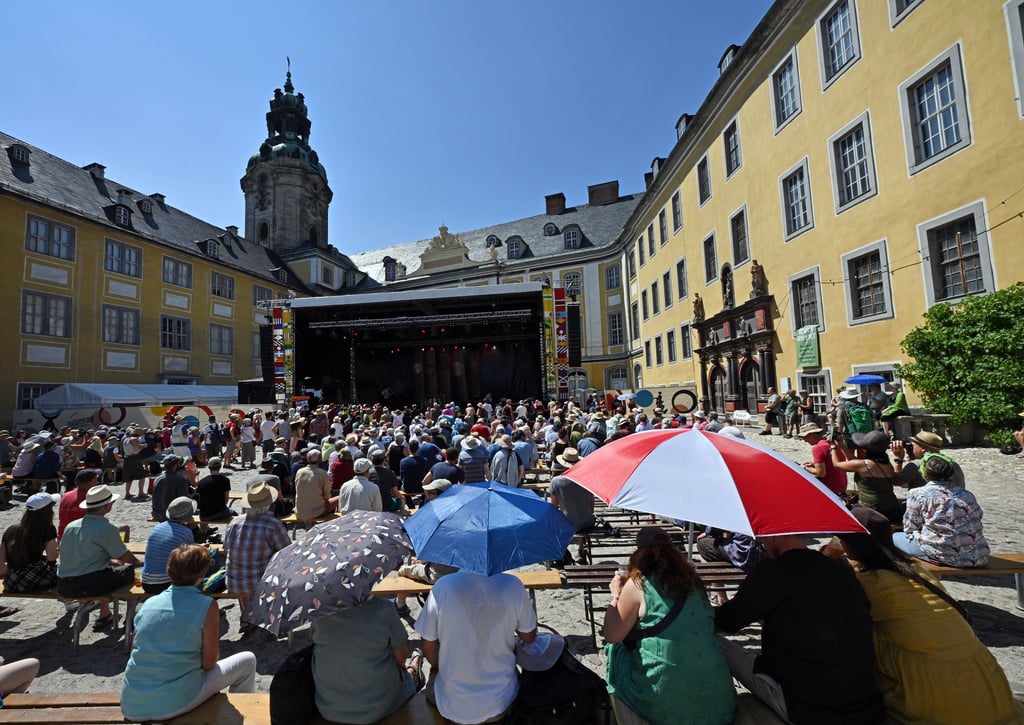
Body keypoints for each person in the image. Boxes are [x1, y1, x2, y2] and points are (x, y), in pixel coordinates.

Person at [836, 507, 1023, 724]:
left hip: (931, 696)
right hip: (989, 687)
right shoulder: (914, 569)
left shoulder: (869, 582)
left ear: (849, 544)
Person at [715, 533, 885, 724]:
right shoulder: (840, 570)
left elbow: (726, 621)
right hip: (864, 705)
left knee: (712, 641)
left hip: (806, 708)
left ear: (771, 537)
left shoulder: (773, 572)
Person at [604, 527, 736, 725]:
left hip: (667, 699)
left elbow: (612, 634)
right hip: (719, 699)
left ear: (639, 553)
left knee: (617, 649)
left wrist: (615, 595)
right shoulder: (694, 582)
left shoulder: (639, 584)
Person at [121, 544, 257, 722]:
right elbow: (209, 663)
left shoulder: (149, 604)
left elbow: (135, 650)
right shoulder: (206, 605)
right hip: (172, 702)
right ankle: (233, 717)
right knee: (247, 660)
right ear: (202, 574)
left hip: (132, 703)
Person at [415, 568, 538, 724]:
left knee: (433, 681)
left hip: (451, 705)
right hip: (502, 701)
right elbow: (528, 637)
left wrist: (440, 666)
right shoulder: (513, 585)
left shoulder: (442, 586)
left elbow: (427, 645)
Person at [311, 595, 424, 723]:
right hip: (379, 708)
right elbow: (401, 656)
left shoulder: (320, 612)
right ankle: (413, 673)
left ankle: (412, 672)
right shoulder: (383, 607)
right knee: (403, 678)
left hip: (329, 709)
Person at [56, 484, 140, 628]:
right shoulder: (106, 528)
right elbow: (125, 556)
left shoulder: (71, 526)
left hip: (64, 583)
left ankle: (105, 614)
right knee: (134, 574)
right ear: (107, 506)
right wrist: (138, 563)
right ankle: (130, 619)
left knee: (108, 570)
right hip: (88, 584)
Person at [895, 455, 989, 567]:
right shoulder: (967, 495)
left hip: (945, 556)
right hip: (979, 556)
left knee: (894, 537)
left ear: (924, 475)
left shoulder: (918, 494)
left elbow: (910, 527)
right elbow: (977, 517)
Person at [223, 482, 290, 617]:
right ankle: (261, 614)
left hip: (234, 581)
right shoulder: (273, 525)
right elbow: (287, 552)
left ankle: (247, 615)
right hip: (259, 583)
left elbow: (226, 549)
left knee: (246, 570)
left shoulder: (234, 522)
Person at [831, 430, 902, 523]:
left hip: (871, 510)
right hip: (892, 508)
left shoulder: (864, 465)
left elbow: (837, 465)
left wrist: (833, 448)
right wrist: (841, 445)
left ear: (865, 449)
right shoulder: (887, 465)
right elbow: (853, 461)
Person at [1, 492, 60, 595]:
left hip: (11, 582)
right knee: (64, 572)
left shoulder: (11, 530)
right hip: (33, 579)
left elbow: (2, 559)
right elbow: (52, 557)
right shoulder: (47, 528)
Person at [141, 497, 198, 594]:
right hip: (166, 583)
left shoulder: (157, 528)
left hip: (146, 581)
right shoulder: (185, 533)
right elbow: (191, 559)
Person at [891, 430, 966, 489]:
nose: (911, 448)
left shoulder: (917, 465)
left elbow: (897, 481)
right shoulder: (952, 463)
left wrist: (898, 458)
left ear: (923, 449)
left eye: (913, 445)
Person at [797, 422, 847, 498]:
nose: (804, 440)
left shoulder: (818, 448)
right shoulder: (832, 443)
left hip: (830, 488)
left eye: (804, 437)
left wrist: (804, 468)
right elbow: (831, 464)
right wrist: (814, 465)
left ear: (811, 435)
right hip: (841, 486)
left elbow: (820, 473)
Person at [293, 449, 338, 528]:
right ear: (319, 459)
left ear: (308, 459)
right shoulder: (322, 473)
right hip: (317, 511)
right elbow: (327, 495)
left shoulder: (299, 472)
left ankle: (309, 526)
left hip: (300, 510)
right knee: (338, 498)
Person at [152, 454, 191, 523]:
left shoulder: (157, 479)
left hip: (158, 513)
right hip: (172, 514)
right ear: (175, 465)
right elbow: (185, 499)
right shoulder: (180, 479)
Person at [196, 457, 235, 522]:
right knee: (234, 514)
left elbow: (200, 499)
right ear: (220, 466)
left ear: (209, 467)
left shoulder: (202, 482)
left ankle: (203, 531)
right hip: (219, 513)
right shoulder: (225, 480)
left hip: (204, 515)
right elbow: (226, 500)